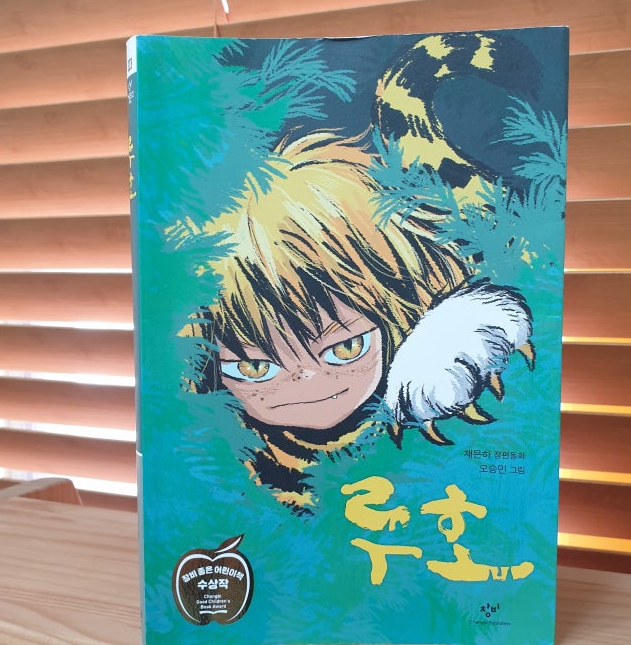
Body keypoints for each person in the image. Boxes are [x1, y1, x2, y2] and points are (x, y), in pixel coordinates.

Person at [188, 130, 533, 514]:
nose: (307, 381)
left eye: (345, 348)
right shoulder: (211, 456)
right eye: (255, 367)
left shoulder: (441, 415)